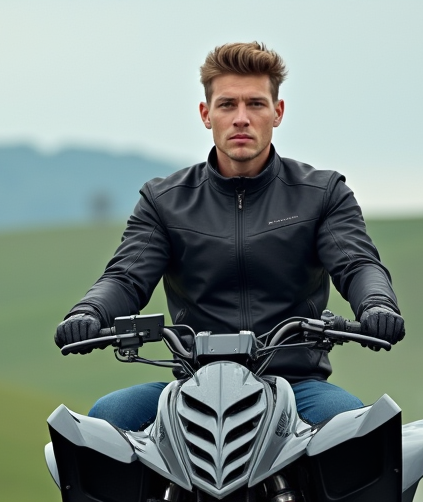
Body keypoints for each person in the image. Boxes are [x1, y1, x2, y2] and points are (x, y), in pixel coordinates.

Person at [54, 42, 405, 430]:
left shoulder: (322, 193)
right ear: (206, 114)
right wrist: (88, 312)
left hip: (295, 385)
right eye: (227, 105)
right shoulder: (164, 200)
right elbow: (126, 277)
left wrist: (376, 305)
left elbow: (357, 264)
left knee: (357, 429)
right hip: (192, 384)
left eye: (255, 104)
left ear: (278, 112)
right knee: (107, 420)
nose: (241, 118)